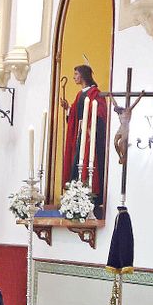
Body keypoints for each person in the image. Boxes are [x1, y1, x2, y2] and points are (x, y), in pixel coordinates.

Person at [58, 64, 108, 212]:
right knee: (76, 162)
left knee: (89, 163)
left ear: (84, 75)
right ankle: (76, 194)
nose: (74, 77)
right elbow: (75, 114)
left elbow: (101, 113)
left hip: (90, 136)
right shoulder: (80, 95)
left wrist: (90, 127)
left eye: (76, 74)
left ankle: (93, 195)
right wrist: (68, 108)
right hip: (80, 134)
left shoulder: (95, 93)